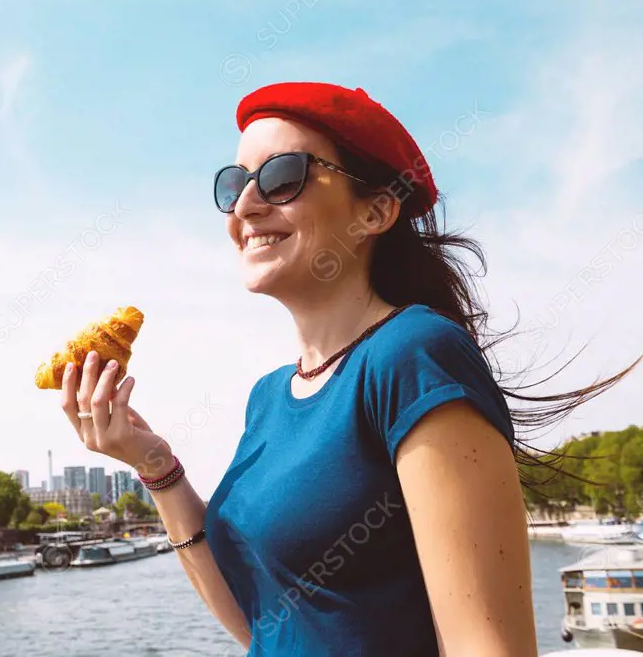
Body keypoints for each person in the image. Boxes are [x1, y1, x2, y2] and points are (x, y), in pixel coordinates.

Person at [57, 82, 637, 656]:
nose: (245, 205)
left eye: (283, 176)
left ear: (377, 210)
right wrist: (153, 464)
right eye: (233, 183)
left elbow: (489, 647)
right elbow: (265, 624)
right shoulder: (268, 397)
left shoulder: (413, 355)